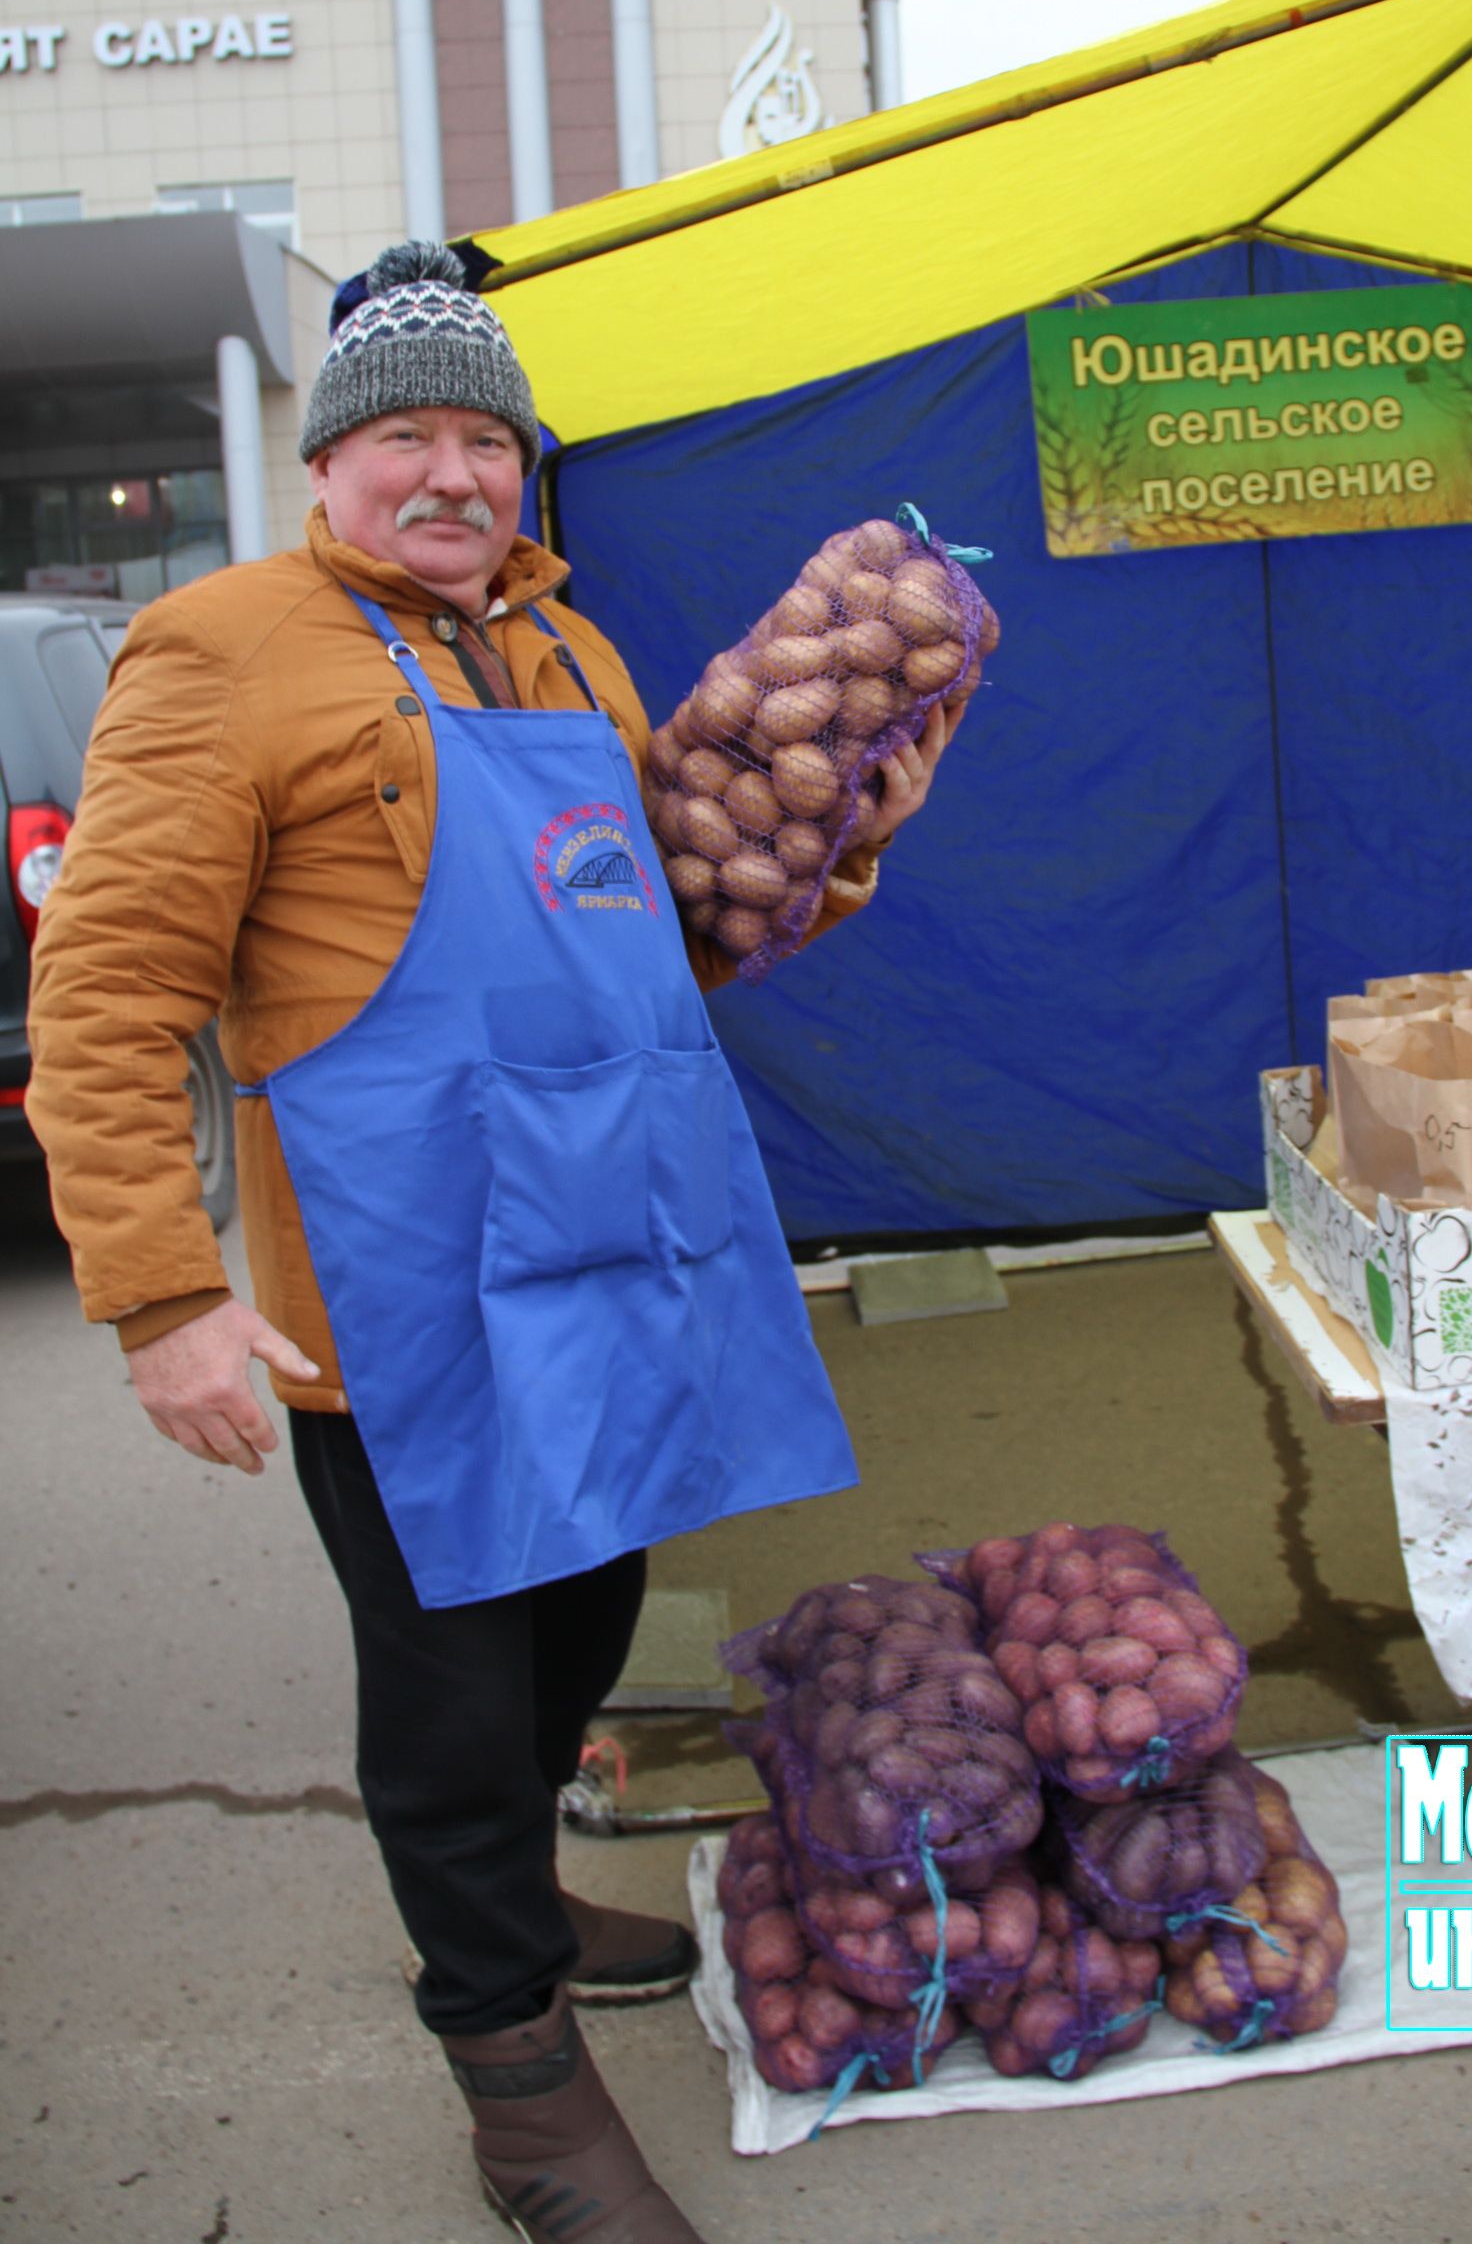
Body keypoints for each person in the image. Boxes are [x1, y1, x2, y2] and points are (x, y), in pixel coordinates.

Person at [26, 242, 965, 2244]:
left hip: (620, 1231)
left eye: (486, 438)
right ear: (332, 464)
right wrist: (165, 1296)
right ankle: (521, 2090)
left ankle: (519, 1903)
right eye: (406, 438)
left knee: (586, 1624)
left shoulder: (576, 656)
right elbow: (107, 995)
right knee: (452, 1696)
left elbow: (672, 940)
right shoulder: (219, 651)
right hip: (400, 1286)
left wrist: (843, 829)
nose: (452, 475)